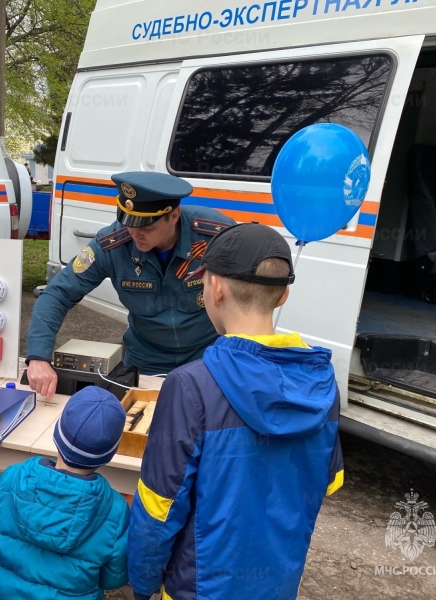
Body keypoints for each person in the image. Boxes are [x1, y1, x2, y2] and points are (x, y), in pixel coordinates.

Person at [127, 223, 344, 600]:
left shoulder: (190, 386)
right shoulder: (322, 385)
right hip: (277, 585)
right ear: (284, 295)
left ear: (215, 288)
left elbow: (158, 507)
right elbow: (328, 480)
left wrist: (142, 584)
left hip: (197, 590)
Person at [26, 171, 235, 400]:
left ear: (174, 215)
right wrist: (38, 356)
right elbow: (57, 294)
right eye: (128, 223)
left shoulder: (215, 234)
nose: (135, 234)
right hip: (147, 361)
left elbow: (253, 293)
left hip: (208, 356)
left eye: (147, 228)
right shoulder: (112, 243)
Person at [0, 386, 129, 600]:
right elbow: (113, 577)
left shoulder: (13, 477)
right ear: (110, 454)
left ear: (56, 433)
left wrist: (12, 554)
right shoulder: (116, 510)